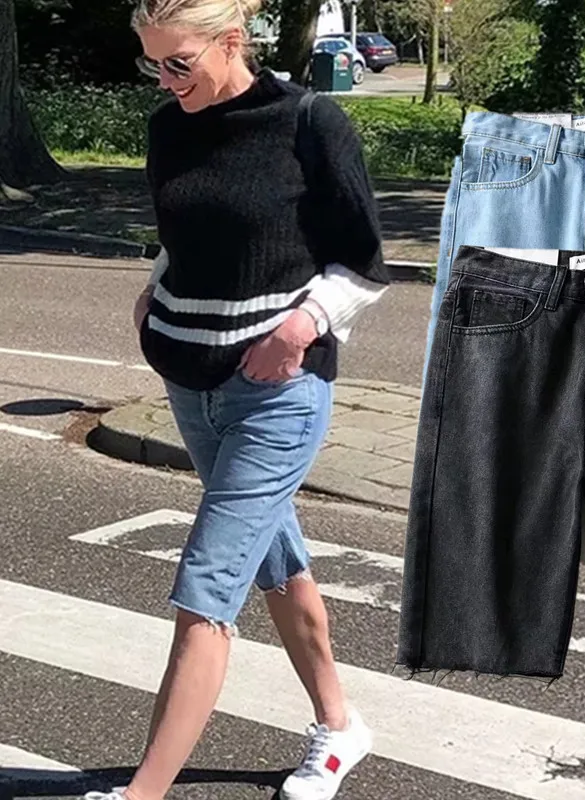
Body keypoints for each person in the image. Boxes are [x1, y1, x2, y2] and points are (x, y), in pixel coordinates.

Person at [84, 1, 389, 799]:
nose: (164, 80)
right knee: (276, 565)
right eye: (152, 63)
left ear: (230, 43)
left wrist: (302, 327)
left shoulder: (309, 122)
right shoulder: (168, 128)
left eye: (178, 62)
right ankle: (340, 725)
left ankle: (141, 794)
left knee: (206, 590)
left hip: (279, 391)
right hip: (190, 382)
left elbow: (363, 262)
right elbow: (186, 233)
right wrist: (154, 292)